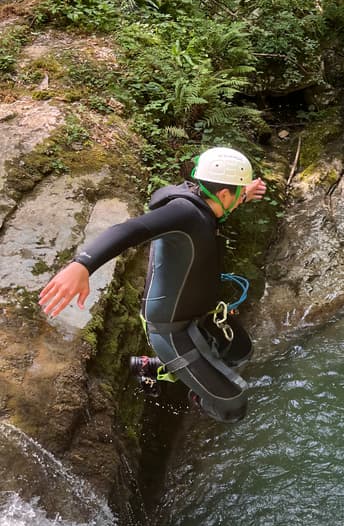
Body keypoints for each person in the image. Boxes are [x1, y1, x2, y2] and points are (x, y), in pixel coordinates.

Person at [39, 147, 267, 423]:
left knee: (241, 351)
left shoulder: (205, 201)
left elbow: (220, 204)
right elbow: (129, 230)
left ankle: (173, 369)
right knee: (233, 404)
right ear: (224, 194)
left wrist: (244, 193)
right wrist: (82, 265)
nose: (242, 198)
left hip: (200, 312)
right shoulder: (183, 213)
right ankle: (167, 378)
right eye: (239, 194)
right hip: (172, 328)